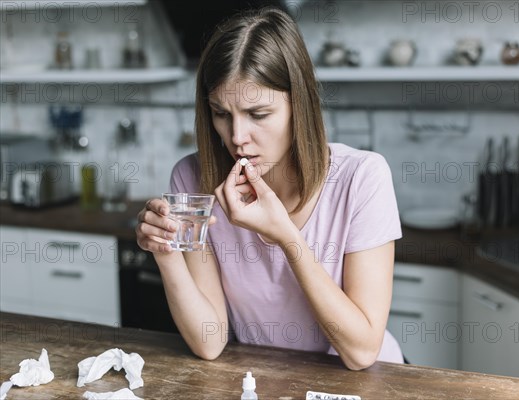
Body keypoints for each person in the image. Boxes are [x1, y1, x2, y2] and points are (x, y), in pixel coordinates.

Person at [135, 7, 403, 370]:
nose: (237, 138)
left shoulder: (362, 178)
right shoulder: (193, 179)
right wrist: (166, 253)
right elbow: (210, 342)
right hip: (265, 380)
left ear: (299, 104)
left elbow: (361, 353)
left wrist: (286, 237)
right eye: (221, 113)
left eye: (258, 114)